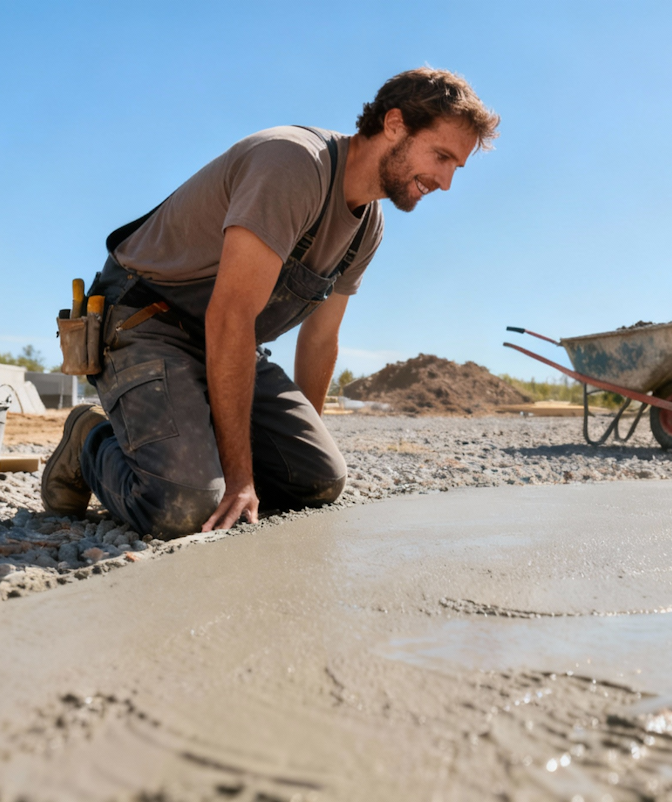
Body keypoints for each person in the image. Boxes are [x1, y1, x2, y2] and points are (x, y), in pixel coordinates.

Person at [41, 68, 499, 538]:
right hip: (145, 324)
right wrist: (240, 480)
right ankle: (89, 440)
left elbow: (321, 339)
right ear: (395, 124)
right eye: (440, 156)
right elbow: (231, 314)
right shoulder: (294, 165)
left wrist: (297, 443)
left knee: (319, 481)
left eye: (455, 168)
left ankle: (196, 448)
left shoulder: (368, 227)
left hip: (226, 342)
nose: (445, 182)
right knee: (182, 507)